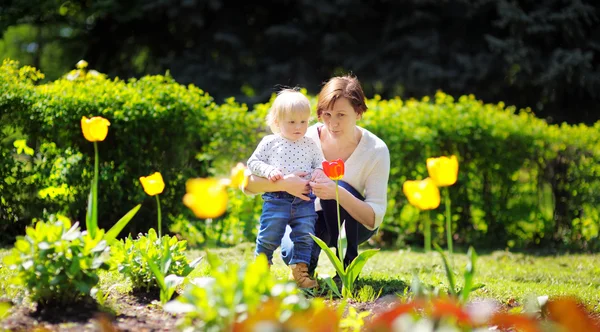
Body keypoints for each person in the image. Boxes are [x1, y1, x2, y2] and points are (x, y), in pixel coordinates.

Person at [244, 74, 390, 280]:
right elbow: (248, 184)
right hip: (307, 215)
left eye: (341, 115)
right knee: (292, 254)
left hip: (354, 223)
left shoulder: (375, 150)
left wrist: (337, 192)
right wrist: (285, 184)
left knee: (338, 186)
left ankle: (346, 268)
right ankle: (307, 268)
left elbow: (373, 218)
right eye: (327, 115)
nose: (333, 124)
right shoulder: (301, 136)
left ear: (358, 113)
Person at [247, 88, 325, 288]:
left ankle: (300, 273)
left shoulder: (310, 144)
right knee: (269, 235)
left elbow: (320, 163)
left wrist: (318, 172)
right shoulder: (270, 142)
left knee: (305, 236)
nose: (298, 127)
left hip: (304, 201)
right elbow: (253, 163)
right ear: (276, 122)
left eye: (303, 121)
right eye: (292, 122)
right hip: (276, 199)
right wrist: (269, 170)